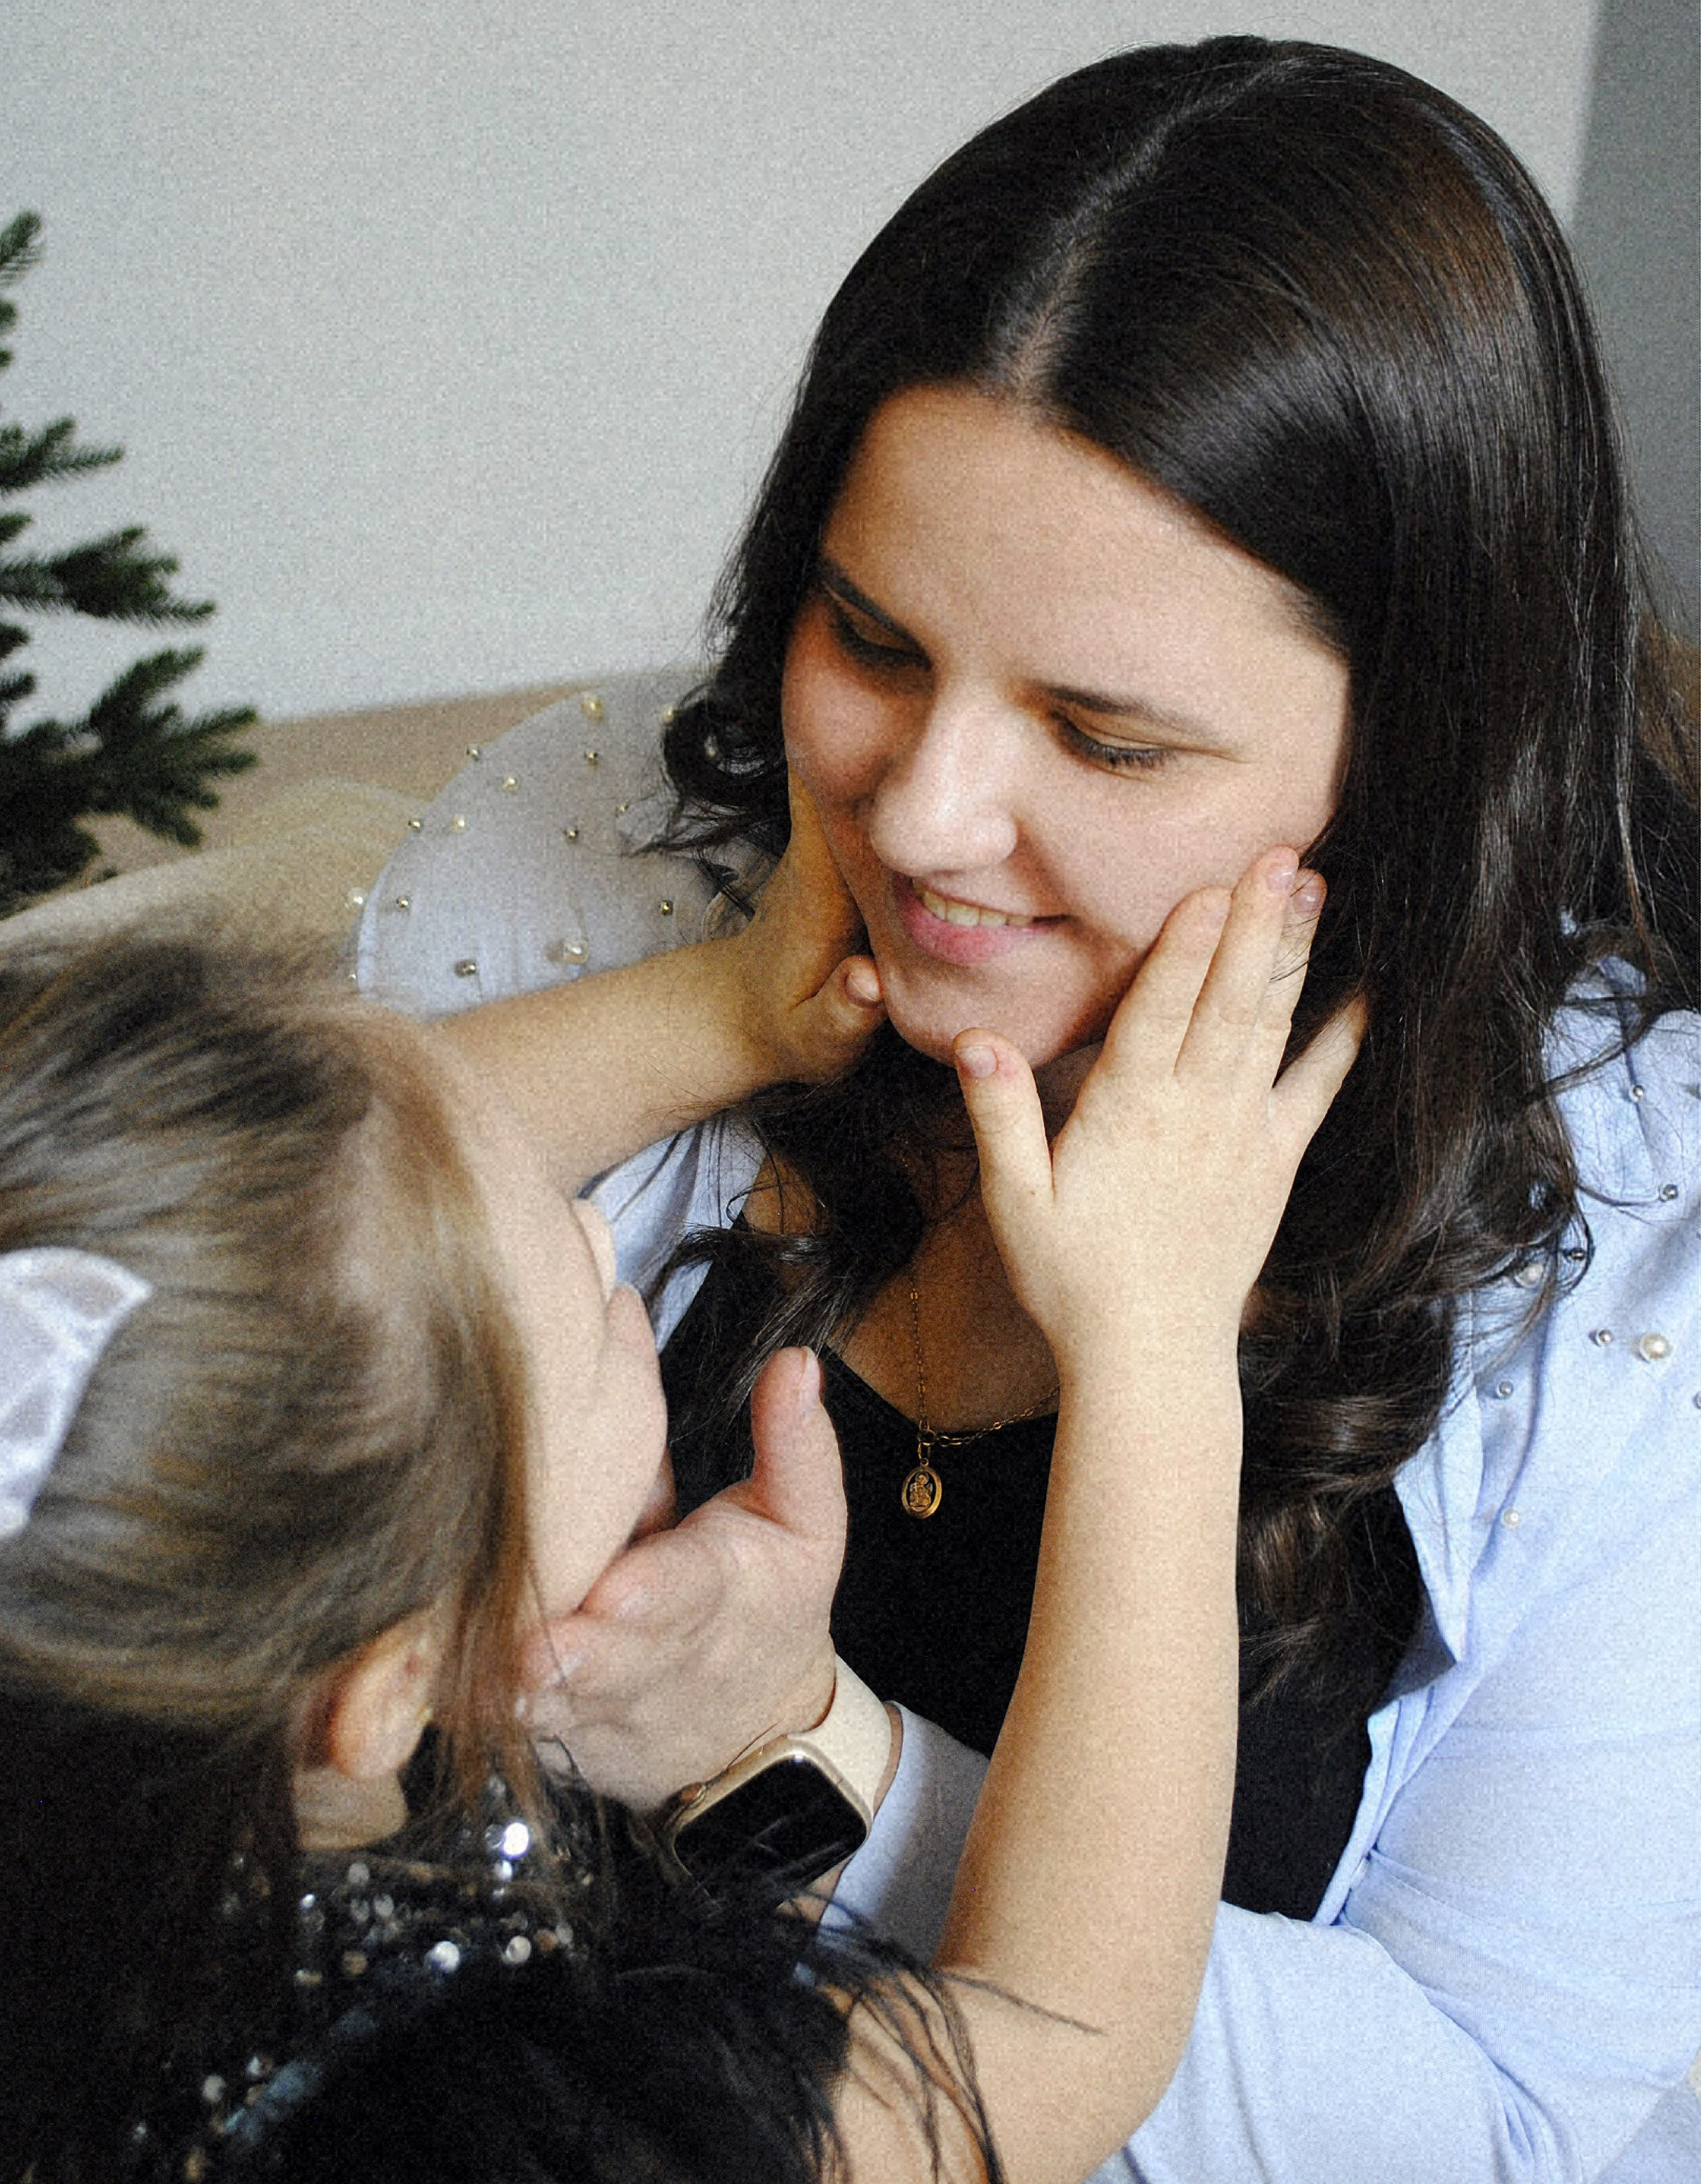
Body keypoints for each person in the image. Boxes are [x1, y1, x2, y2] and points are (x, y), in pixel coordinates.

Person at [359, 35, 1701, 2182]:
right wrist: (719, 1010)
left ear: (1425, 760)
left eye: (1105, 735)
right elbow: (253, 1226)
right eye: (870, 636)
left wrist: (800, 1760)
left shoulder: (1644, 1266)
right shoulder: (595, 884)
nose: (926, 812)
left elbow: (1490, 2125)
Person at [0, 839, 1357, 2183]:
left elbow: (292, 1206)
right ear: (392, 1681)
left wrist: (732, 1010)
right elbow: (1063, 2040)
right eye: (594, 1312)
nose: (607, 1236)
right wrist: (1154, 1341)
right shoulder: (498, 2126)